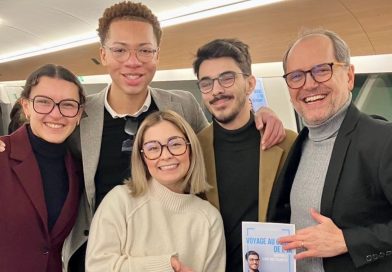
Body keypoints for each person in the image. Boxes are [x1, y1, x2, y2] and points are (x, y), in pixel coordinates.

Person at [59, 2, 285, 271]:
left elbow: (212, 143)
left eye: (144, 50)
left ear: (157, 55)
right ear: (103, 55)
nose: (133, 61)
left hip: (179, 242)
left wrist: (259, 111)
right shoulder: (80, 116)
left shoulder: (182, 106)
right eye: (120, 50)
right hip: (107, 252)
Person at [267, 29, 392, 272]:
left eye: (322, 70)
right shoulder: (300, 143)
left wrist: (348, 241)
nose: (309, 84)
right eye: (296, 76)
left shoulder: (383, 140)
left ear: (349, 76)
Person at [193, 38, 297, 271]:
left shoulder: (287, 143)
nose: (217, 90)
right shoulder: (193, 151)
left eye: (227, 78)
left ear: (250, 84)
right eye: (206, 83)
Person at [85, 110, 225, 272]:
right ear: (142, 157)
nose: (165, 155)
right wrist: (167, 266)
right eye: (153, 148)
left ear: (191, 149)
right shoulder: (119, 201)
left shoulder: (209, 218)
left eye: (175, 144)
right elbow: (96, 267)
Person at [0, 64, 84, 272]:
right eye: (44, 102)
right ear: (26, 107)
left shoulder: (77, 166)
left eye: (68, 104)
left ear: (79, 113)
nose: (56, 114)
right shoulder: (2, 155)